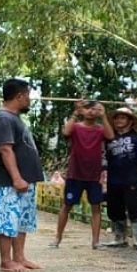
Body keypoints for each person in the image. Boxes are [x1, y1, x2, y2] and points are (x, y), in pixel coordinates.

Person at [0, 78, 44, 272]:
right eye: (28, 96)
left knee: (21, 220)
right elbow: (5, 149)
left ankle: (19, 257)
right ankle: (6, 260)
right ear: (19, 96)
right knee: (8, 219)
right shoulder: (3, 118)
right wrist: (16, 178)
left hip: (25, 179)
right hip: (9, 181)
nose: (29, 100)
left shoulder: (14, 118)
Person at [50, 99, 114, 249]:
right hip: (75, 174)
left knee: (96, 207)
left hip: (94, 175)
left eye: (94, 109)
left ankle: (96, 241)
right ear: (82, 111)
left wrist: (104, 115)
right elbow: (66, 132)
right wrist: (75, 113)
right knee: (67, 205)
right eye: (87, 108)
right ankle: (57, 238)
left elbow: (110, 136)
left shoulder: (100, 129)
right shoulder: (76, 127)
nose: (91, 111)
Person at [102, 107, 137, 249]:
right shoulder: (110, 139)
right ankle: (120, 237)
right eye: (117, 118)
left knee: (134, 207)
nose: (119, 120)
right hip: (113, 179)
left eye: (123, 118)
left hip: (132, 178)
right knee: (114, 208)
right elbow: (104, 158)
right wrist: (103, 176)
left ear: (130, 121)